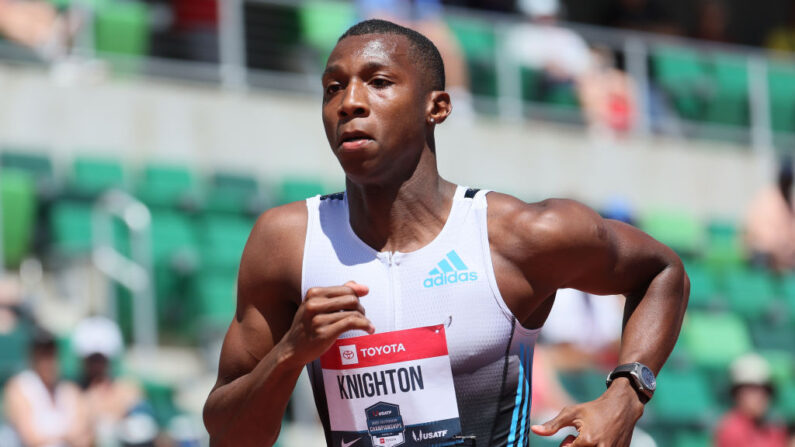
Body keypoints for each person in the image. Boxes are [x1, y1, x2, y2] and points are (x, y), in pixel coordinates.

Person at [203, 19, 689, 447]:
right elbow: (228, 438)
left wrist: (627, 393)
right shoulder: (287, 242)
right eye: (333, 88)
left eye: (378, 82)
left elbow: (662, 272)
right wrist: (290, 353)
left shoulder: (518, 234)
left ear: (436, 107)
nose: (350, 103)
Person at [3, 327, 93, 447]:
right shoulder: (20, 387)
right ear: (33, 357)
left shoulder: (70, 389)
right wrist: (67, 436)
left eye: (50, 353)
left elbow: (84, 437)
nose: (47, 361)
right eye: (42, 354)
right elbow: (31, 439)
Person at [72, 316, 144, 445]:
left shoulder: (127, 388)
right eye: (92, 359)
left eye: (101, 359)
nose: (97, 365)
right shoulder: (72, 392)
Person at [714, 353, 787, 447]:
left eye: (765, 390)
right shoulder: (731, 430)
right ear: (737, 394)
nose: (760, 397)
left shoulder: (775, 428)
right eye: (753, 390)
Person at [745, 158, 795, 272]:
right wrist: (779, 248)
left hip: (785, 256)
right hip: (763, 254)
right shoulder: (767, 198)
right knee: (762, 256)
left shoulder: (791, 202)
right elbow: (760, 234)